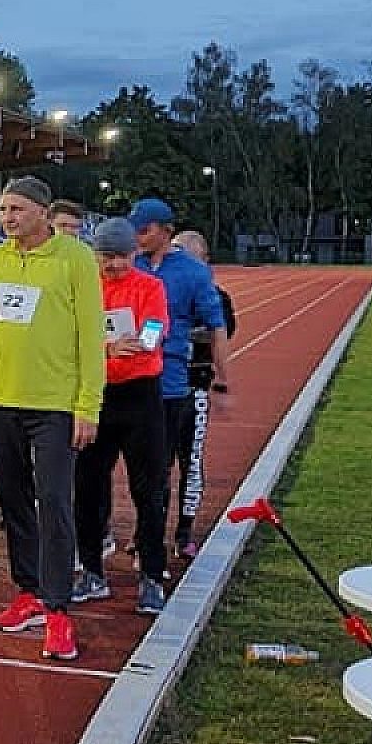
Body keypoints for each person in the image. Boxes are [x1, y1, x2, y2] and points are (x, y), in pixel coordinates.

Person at [0, 176, 104, 662]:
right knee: (14, 501)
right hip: (0, 400)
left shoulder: (76, 260)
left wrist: (87, 405)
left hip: (53, 405)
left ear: (43, 212)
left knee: (55, 503)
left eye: (17, 209)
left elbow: (90, 337)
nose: (7, 218)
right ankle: (29, 592)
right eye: (2, 210)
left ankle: (60, 609)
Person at [72, 218, 172, 615]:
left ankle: (151, 574)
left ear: (134, 254)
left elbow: (154, 331)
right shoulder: (86, 288)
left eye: (120, 257)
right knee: (89, 487)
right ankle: (92, 570)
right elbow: (75, 340)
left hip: (140, 396)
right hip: (95, 396)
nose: (112, 265)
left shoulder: (150, 286)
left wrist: (132, 344)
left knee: (148, 489)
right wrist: (107, 350)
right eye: (105, 257)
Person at [129, 198, 233, 564]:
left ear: (165, 231)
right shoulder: (130, 263)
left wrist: (222, 380)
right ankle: (143, 533)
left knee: (171, 464)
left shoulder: (191, 273)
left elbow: (219, 326)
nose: (138, 237)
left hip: (175, 384)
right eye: (134, 230)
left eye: (145, 230)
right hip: (129, 380)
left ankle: (175, 534)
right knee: (141, 467)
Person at [164, 227, 237, 559]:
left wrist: (180, 330)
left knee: (190, 462)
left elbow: (221, 333)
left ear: (205, 261)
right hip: (163, 391)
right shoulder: (160, 288)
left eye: (188, 256)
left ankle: (185, 530)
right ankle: (147, 532)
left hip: (196, 389)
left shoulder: (217, 296)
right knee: (155, 466)